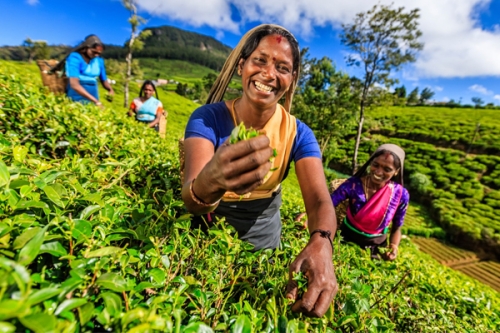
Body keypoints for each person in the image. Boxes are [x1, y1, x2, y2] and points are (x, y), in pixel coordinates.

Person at [181, 24, 338, 317]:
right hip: (209, 224)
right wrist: (211, 180)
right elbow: (192, 199)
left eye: (282, 67)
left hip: (264, 228)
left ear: (291, 81)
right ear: (242, 66)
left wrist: (322, 241)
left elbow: (318, 200)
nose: (269, 74)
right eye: (260, 60)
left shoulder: (298, 134)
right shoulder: (208, 119)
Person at [331, 144, 409, 260]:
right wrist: (309, 216)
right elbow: (329, 204)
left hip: (375, 250)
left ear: (396, 172)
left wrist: (394, 247)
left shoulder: (400, 195)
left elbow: (397, 228)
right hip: (345, 240)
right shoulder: (353, 185)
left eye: (387, 169)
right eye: (375, 165)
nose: (378, 172)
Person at [64, 35, 114, 106]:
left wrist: (110, 89)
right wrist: (95, 101)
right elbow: (74, 84)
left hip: (93, 94)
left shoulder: (99, 61)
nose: (96, 55)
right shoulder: (75, 57)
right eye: (94, 52)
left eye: (99, 53)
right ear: (86, 48)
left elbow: (103, 80)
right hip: (76, 94)